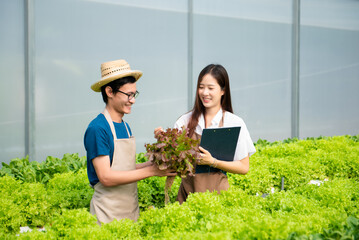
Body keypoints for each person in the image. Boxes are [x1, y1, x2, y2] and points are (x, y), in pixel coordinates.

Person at [84, 59, 176, 225]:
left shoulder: (125, 127)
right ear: (109, 91)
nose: (133, 100)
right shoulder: (98, 128)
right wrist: (152, 171)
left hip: (130, 212)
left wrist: (155, 163)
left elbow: (125, 169)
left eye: (134, 94)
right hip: (106, 216)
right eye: (128, 95)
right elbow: (106, 177)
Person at [155, 64, 256, 203]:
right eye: (201, 87)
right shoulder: (185, 121)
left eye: (210, 88)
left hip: (219, 198)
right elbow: (171, 164)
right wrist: (163, 142)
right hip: (187, 197)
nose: (204, 93)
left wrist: (213, 162)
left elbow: (244, 167)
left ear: (223, 91)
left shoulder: (234, 123)